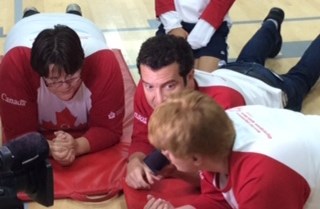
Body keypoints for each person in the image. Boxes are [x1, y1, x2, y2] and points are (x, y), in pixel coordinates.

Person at [125, 7, 320, 189]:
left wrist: (176, 171)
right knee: (248, 60)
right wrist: (135, 160)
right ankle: (271, 23)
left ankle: (272, 26)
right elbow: (141, 136)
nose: (158, 99)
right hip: (232, 73)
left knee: (300, 77)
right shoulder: (149, 87)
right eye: (150, 86)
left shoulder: (221, 109)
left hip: (268, 87)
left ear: (190, 76)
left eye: (170, 86)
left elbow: (227, 175)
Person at [144, 89, 320, 209]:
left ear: (196, 158)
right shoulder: (209, 130)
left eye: (168, 151)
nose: (164, 155)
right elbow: (220, 200)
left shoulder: (262, 179)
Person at [0, 4, 126, 166]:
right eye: (53, 81)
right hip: (25, 30)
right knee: (31, 20)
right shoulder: (16, 64)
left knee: (75, 24)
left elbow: (110, 129)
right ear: (39, 73)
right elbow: (18, 134)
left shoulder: (103, 61)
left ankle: (73, 16)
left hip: (84, 29)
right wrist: (51, 148)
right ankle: (32, 16)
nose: (65, 87)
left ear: (83, 64)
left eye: (72, 77)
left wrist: (76, 146)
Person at [155, 0, 235, 72]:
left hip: (212, 26)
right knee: (162, 75)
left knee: (206, 79)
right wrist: (173, 26)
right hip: (174, 22)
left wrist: (201, 33)